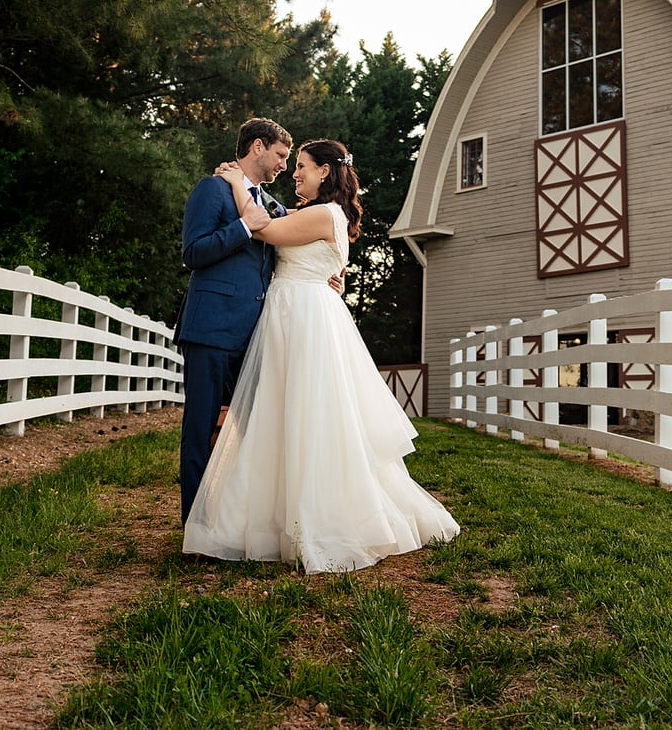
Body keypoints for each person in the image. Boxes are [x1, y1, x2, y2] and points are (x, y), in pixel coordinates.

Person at [183, 139, 459, 572]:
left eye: (303, 167)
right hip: (293, 314)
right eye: (290, 165)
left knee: (305, 418)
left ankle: (312, 517)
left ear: (325, 173)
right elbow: (280, 223)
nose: (295, 173)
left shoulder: (322, 213)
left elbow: (265, 229)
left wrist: (237, 181)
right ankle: (271, 514)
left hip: (302, 319)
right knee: (284, 417)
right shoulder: (317, 213)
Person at [175, 118, 293, 525]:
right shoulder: (213, 190)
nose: (284, 166)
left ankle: (240, 521)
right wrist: (244, 227)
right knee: (200, 429)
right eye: (280, 155)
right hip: (210, 330)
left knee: (255, 430)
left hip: (256, 336)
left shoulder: (273, 207)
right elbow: (194, 252)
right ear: (258, 147)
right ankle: (196, 525)